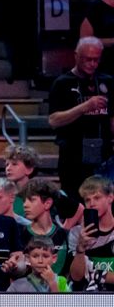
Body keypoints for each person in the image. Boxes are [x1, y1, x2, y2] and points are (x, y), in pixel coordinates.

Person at [47, 37, 110, 192]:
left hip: (104, 156)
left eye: (96, 60)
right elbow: (53, 121)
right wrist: (85, 107)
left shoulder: (108, 81)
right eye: (88, 59)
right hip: (73, 158)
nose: (92, 64)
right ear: (76, 56)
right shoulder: (62, 83)